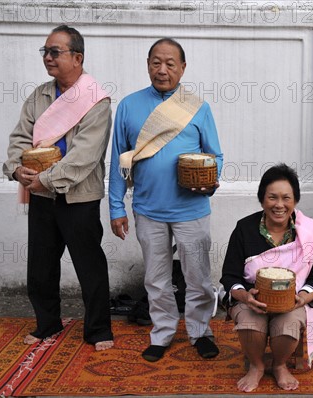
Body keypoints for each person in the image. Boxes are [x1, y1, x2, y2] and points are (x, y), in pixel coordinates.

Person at [109, 38, 223, 362]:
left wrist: (210, 183)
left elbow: (216, 155)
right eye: (156, 62)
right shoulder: (128, 106)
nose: (162, 70)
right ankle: (162, 332)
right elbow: (120, 159)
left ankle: (201, 331)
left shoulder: (198, 107)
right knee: (156, 279)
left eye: (170, 63)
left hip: (191, 208)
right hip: (148, 209)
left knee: (198, 276)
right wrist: (116, 207)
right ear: (147, 65)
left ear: (183, 68)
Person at [3, 25, 114, 351]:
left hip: (78, 196)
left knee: (89, 265)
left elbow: (85, 155)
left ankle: (97, 330)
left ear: (77, 57)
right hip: (40, 194)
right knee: (40, 265)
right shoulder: (39, 95)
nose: (48, 58)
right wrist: (16, 170)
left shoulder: (96, 100)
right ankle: (46, 323)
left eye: (55, 52)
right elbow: (19, 139)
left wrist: (46, 178)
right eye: (45, 52)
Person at [220, 164, 313, 392]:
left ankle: (279, 365)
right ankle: (257, 366)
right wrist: (245, 297)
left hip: (292, 301)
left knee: (287, 325)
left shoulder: (309, 234)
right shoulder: (244, 229)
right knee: (250, 323)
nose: (279, 205)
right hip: (251, 298)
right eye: (272, 197)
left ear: (295, 201)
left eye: (286, 198)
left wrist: (302, 297)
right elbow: (229, 276)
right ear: (262, 200)